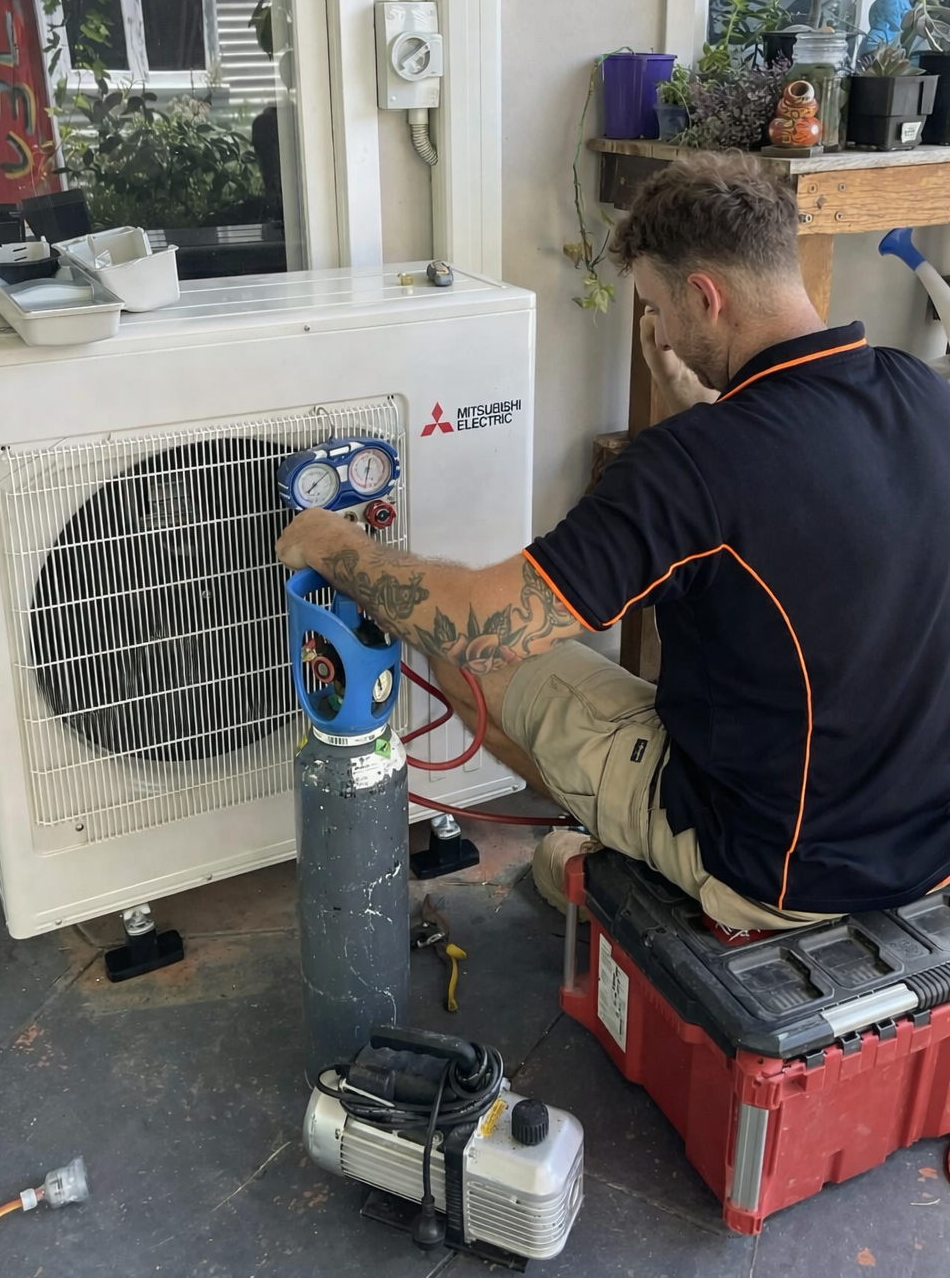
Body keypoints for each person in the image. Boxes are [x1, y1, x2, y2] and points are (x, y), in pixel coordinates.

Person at [276, 153, 950, 930]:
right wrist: (685, 402)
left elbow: (473, 625)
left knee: (460, 659)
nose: (655, 330)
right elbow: (786, 488)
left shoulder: (696, 464)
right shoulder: (916, 389)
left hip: (777, 870)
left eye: (658, 306)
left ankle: (636, 850)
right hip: (924, 848)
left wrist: (333, 544)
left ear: (706, 297)